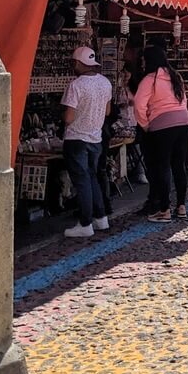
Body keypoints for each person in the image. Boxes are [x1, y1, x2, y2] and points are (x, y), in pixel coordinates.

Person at [134, 46, 188, 222]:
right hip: (184, 122)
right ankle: (181, 206)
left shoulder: (149, 80)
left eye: (144, 60)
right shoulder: (176, 77)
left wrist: (145, 125)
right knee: (179, 165)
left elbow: (139, 105)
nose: (142, 63)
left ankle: (164, 209)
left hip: (163, 125)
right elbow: (184, 100)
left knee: (163, 166)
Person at [61, 46, 113, 238]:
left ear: (78, 63)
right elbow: (107, 111)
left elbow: (68, 117)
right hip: (95, 138)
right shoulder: (105, 83)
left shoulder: (76, 85)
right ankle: (101, 218)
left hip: (77, 138)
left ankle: (85, 222)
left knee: (82, 181)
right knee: (92, 177)